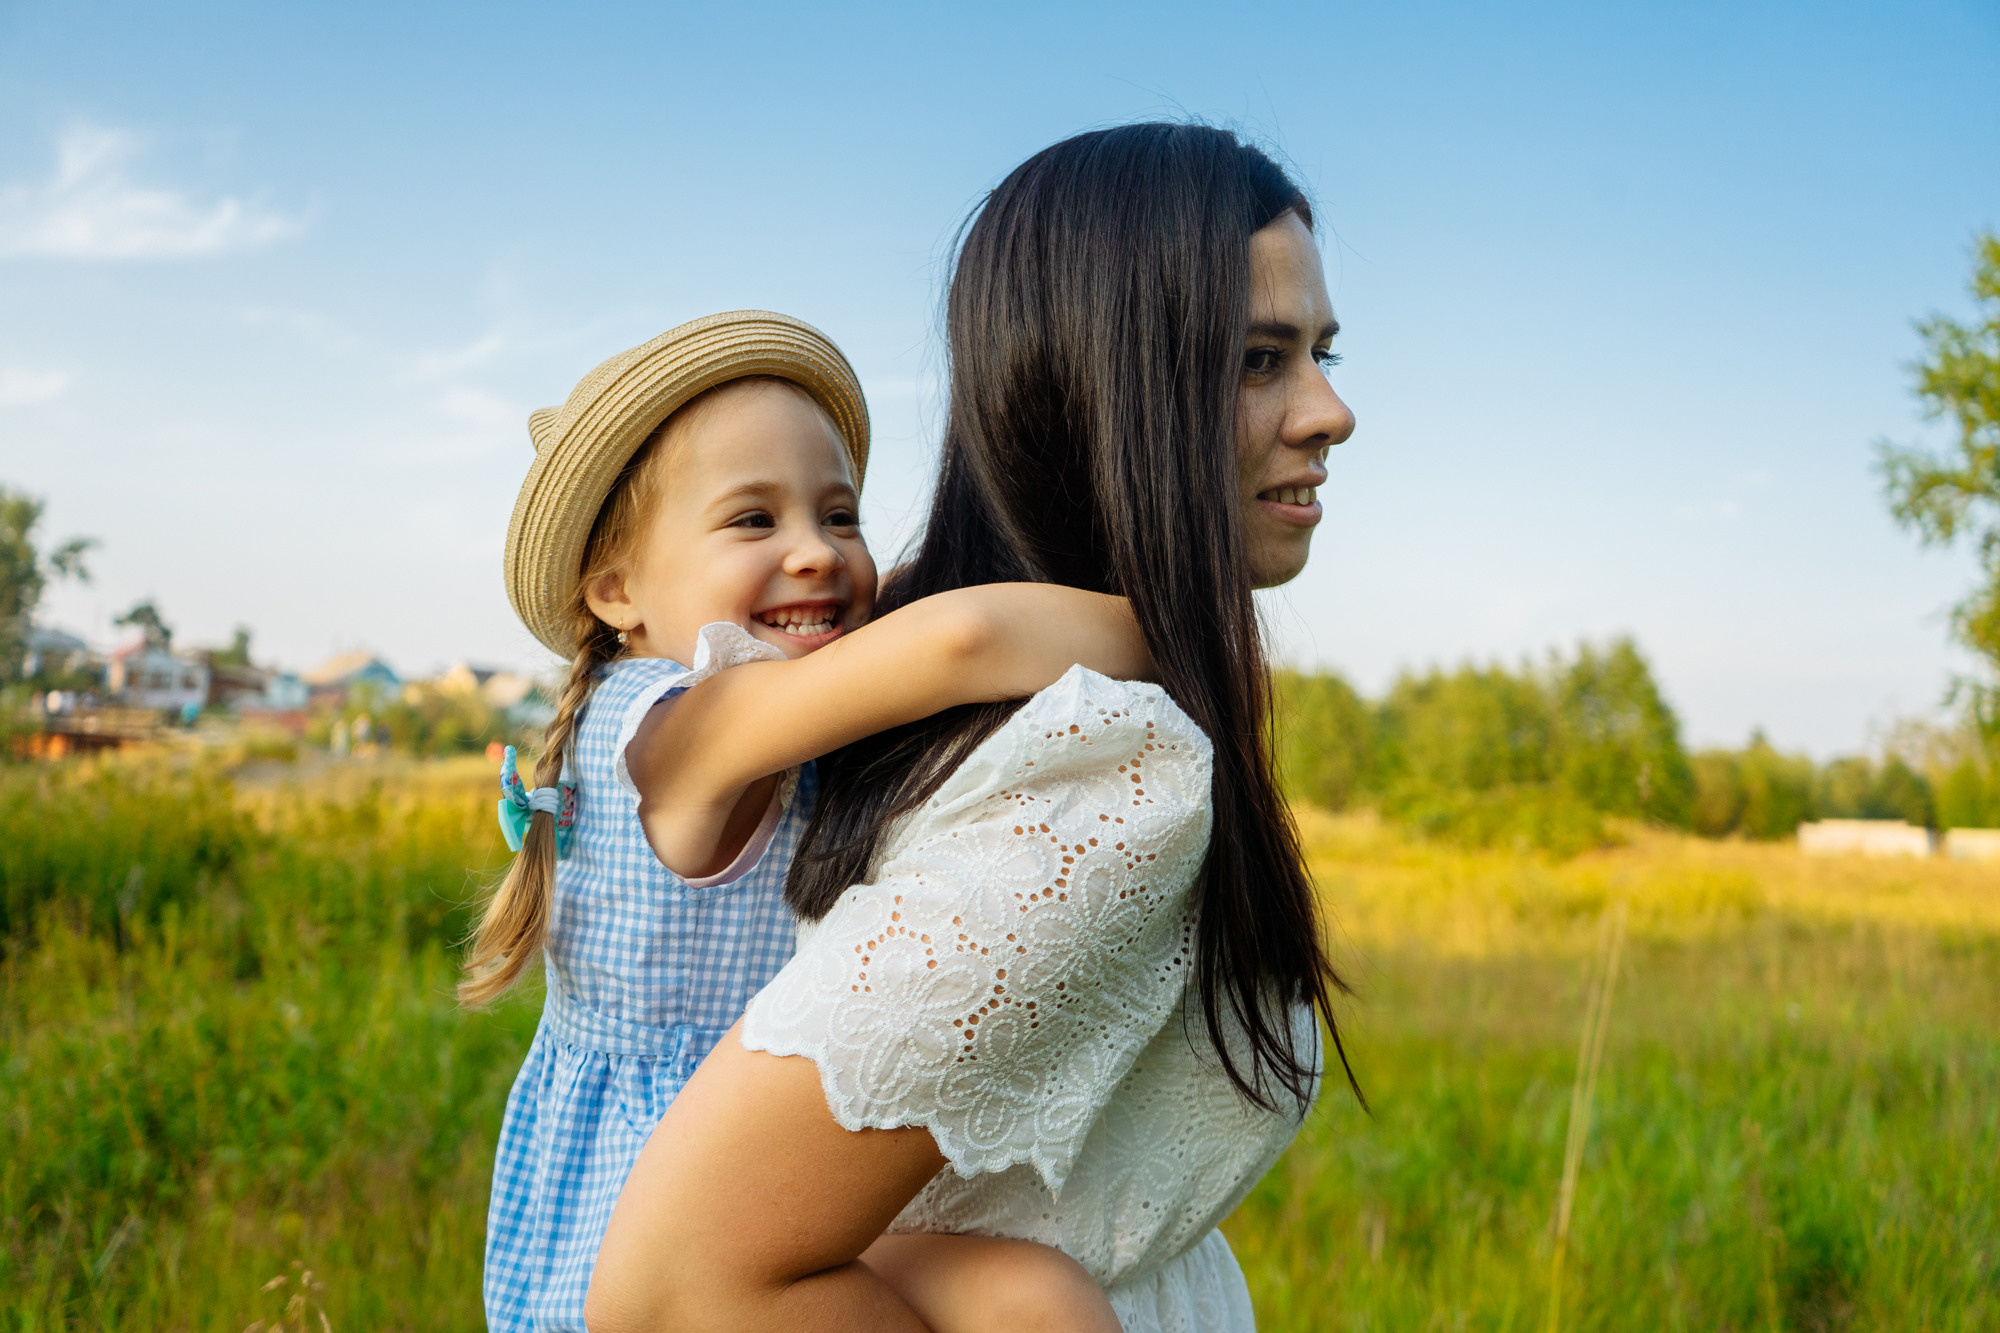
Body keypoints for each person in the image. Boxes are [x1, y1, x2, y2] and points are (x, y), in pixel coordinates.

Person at [586, 123, 1360, 1332]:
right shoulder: (1098, 781)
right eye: (1259, 358)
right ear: (1101, 384)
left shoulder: (915, 702)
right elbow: (678, 1287)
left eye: (1320, 350)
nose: (1329, 410)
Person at [469, 310, 1154, 1332]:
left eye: (839, 516)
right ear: (615, 591)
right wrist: (1171, 629)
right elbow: (959, 639)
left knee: (1032, 1296)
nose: (814, 554)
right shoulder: (669, 728)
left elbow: (925, 618)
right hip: (647, 1223)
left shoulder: (776, 718)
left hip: (779, 1170)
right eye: (754, 521)